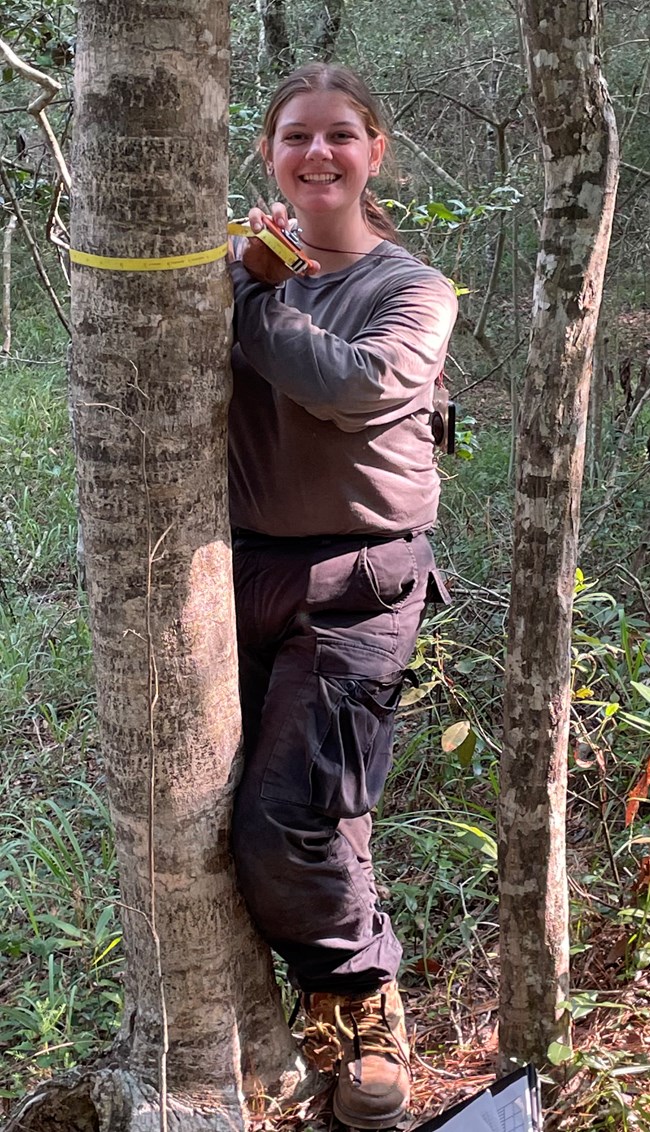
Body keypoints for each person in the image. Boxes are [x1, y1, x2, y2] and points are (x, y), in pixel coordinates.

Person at [228, 62, 457, 1129]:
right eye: (293, 137)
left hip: (361, 582)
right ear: (268, 153)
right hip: (236, 574)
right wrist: (235, 279)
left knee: (285, 820)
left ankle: (363, 1001)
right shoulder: (239, 272)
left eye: (338, 136)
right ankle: (314, 1003)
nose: (315, 154)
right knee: (324, 812)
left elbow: (353, 387)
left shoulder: (411, 289)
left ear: (375, 152)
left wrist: (248, 296)